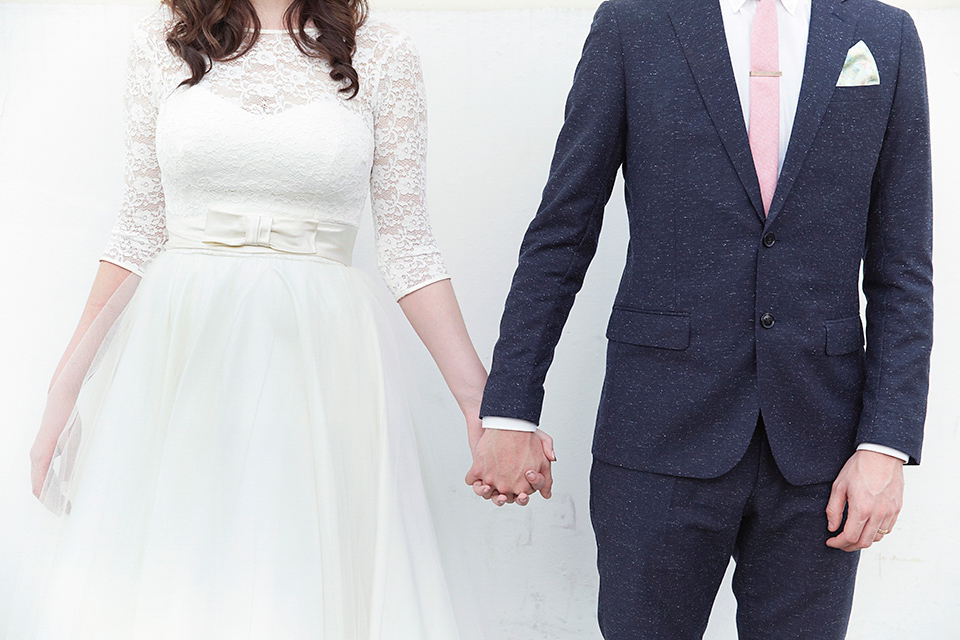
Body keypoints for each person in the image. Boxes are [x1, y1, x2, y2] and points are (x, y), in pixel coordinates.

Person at [12, 0, 549, 637]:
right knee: (177, 578)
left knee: (300, 573)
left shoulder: (382, 51)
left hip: (320, 365)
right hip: (183, 363)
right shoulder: (161, 41)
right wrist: (65, 391)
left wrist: (482, 404)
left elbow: (408, 242)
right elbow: (137, 229)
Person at [468, 0, 932, 638]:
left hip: (822, 455)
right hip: (656, 434)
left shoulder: (885, 34)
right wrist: (510, 410)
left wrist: (886, 445)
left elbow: (903, 267)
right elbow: (562, 232)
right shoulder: (635, 22)